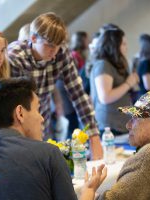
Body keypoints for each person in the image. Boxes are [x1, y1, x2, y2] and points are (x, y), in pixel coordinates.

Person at [0, 77, 107, 200]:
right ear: (20, 113)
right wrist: (89, 191)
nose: (42, 118)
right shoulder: (48, 154)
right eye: (37, 110)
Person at [8, 12, 103, 159]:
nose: (54, 51)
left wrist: (94, 136)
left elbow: (78, 94)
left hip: (43, 126)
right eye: (49, 45)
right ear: (33, 38)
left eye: (58, 46)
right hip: (17, 130)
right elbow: (15, 108)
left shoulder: (61, 53)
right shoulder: (15, 57)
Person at [90, 28, 139, 136]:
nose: (126, 47)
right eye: (123, 44)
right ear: (114, 46)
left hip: (120, 124)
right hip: (110, 126)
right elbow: (105, 97)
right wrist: (128, 83)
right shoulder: (103, 64)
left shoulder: (113, 64)